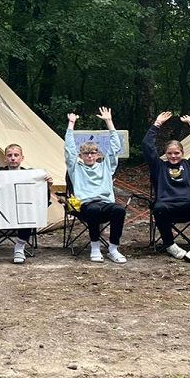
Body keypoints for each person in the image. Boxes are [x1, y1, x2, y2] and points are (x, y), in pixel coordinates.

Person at [0, 117, 53, 265]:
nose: (13, 158)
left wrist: (47, 186)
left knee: (29, 211)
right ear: (5, 159)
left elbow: (42, 201)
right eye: (9, 155)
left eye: (16, 155)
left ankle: (19, 248)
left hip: (20, 212)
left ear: (22, 158)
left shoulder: (31, 175)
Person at [143, 111, 190, 262]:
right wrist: (157, 124)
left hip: (188, 207)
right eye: (170, 153)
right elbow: (147, 146)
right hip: (167, 208)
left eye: (177, 153)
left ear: (182, 153)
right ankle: (170, 245)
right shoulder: (159, 166)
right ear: (165, 154)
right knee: (158, 207)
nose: (173, 156)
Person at [65, 107, 127, 264]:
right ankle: (95, 247)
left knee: (119, 210)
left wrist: (109, 121)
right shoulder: (76, 168)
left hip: (105, 203)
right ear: (81, 155)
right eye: (86, 153)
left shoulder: (106, 166)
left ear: (98, 155)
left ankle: (113, 249)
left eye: (93, 153)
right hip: (86, 205)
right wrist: (71, 124)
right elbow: (69, 149)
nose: (90, 156)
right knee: (93, 209)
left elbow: (115, 148)